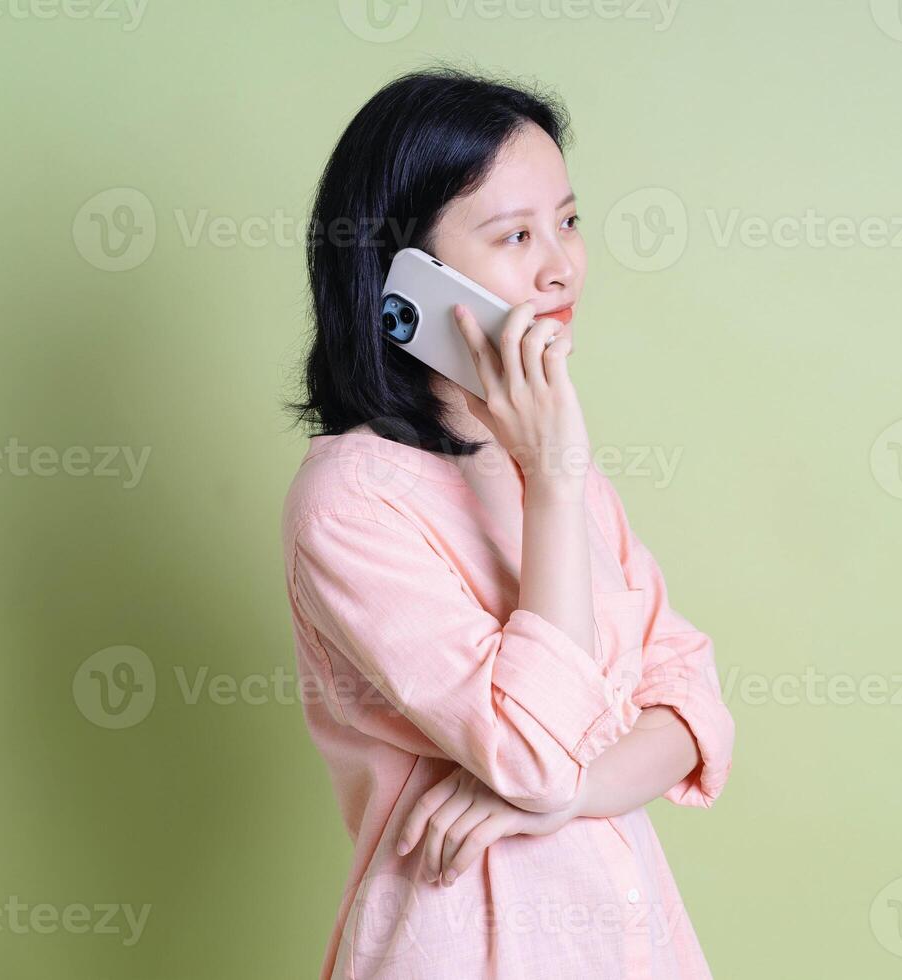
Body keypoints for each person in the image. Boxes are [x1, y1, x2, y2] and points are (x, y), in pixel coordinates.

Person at [280, 64, 735, 979]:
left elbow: (691, 703)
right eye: (514, 234)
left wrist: (563, 799)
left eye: (567, 220)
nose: (561, 263)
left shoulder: (552, 467)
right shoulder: (353, 497)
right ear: (405, 272)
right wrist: (552, 483)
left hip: (628, 941)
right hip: (463, 945)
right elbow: (529, 752)